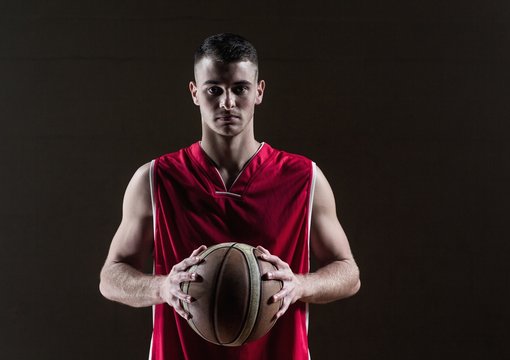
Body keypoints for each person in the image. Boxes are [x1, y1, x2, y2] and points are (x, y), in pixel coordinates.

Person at [99, 33, 360, 360]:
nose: (227, 103)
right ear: (195, 94)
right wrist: (162, 287)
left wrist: (300, 286)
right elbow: (110, 277)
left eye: (239, 89)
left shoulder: (304, 178)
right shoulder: (154, 179)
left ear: (259, 92)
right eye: (214, 90)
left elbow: (349, 273)